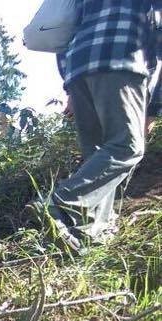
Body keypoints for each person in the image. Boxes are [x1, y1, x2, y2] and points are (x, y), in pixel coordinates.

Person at [39, 0, 161, 248]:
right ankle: (61, 204)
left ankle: (90, 234)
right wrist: (153, 108)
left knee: (98, 156)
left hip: (78, 66)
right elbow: (158, 40)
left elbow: (65, 30)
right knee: (127, 147)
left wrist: (69, 85)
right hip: (123, 59)